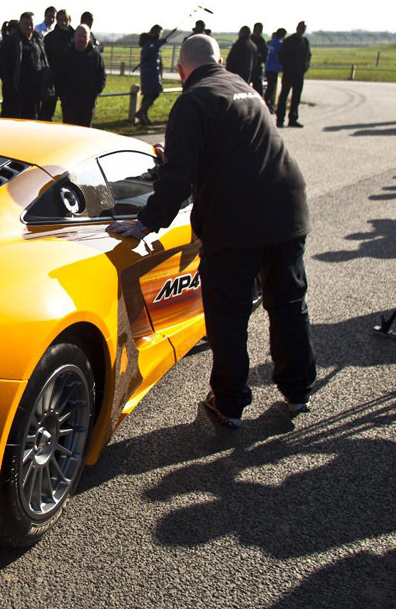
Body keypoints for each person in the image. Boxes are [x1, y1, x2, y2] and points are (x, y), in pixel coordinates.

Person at [106, 34, 314, 428]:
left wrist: (146, 221)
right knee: (288, 303)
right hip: (287, 208)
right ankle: (298, 392)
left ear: (182, 70)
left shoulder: (193, 99)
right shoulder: (245, 88)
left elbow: (178, 178)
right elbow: (239, 148)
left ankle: (230, 403)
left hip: (237, 220)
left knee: (228, 314)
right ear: (219, 61)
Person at [0, 11, 50, 120]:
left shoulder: (37, 41)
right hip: (15, 93)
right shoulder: (10, 42)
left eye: (31, 24)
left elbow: (44, 62)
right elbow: (1, 66)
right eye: (26, 24)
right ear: (20, 24)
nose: (29, 27)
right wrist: (10, 85)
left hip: (34, 93)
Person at [56, 25, 107, 127]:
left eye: (84, 36)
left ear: (89, 38)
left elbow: (102, 77)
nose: (81, 39)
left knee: (85, 134)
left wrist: (94, 93)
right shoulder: (65, 56)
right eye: (79, 36)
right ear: (74, 37)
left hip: (88, 104)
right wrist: (63, 95)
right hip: (69, 104)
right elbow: (58, 78)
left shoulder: (96, 57)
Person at [276, 21, 311, 128]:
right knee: (284, 96)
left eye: (303, 28)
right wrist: (287, 66)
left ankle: (293, 119)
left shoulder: (305, 41)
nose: (301, 30)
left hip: (299, 73)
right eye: (300, 28)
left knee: (296, 97)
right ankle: (280, 119)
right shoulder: (288, 41)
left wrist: (306, 66)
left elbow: (308, 55)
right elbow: (281, 56)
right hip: (289, 73)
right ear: (297, 28)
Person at [41, 9, 74, 122]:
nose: (63, 22)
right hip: (53, 79)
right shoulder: (50, 38)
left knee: (69, 112)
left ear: (69, 20)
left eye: (65, 20)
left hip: (69, 81)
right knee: (47, 112)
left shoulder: (75, 37)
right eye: (60, 20)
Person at [136, 24, 165, 126]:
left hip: (153, 72)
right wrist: (159, 44)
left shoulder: (152, 42)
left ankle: (144, 115)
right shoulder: (149, 42)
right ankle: (141, 112)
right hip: (149, 72)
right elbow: (150, 52)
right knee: (153, 93)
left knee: (149, 94)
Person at [264, 27, 286, 111]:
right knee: (271, 88)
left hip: (268, 66)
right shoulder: (280, 44)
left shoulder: (270, 42)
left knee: (269, 87)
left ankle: (269, 104)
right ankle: (268, 104)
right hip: (274, 68)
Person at [249, 22, 267, 94]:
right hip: (248, 68)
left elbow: (265, 55)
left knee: (259, 90)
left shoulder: (262, 41)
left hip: (257, 70)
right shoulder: (249, 40)